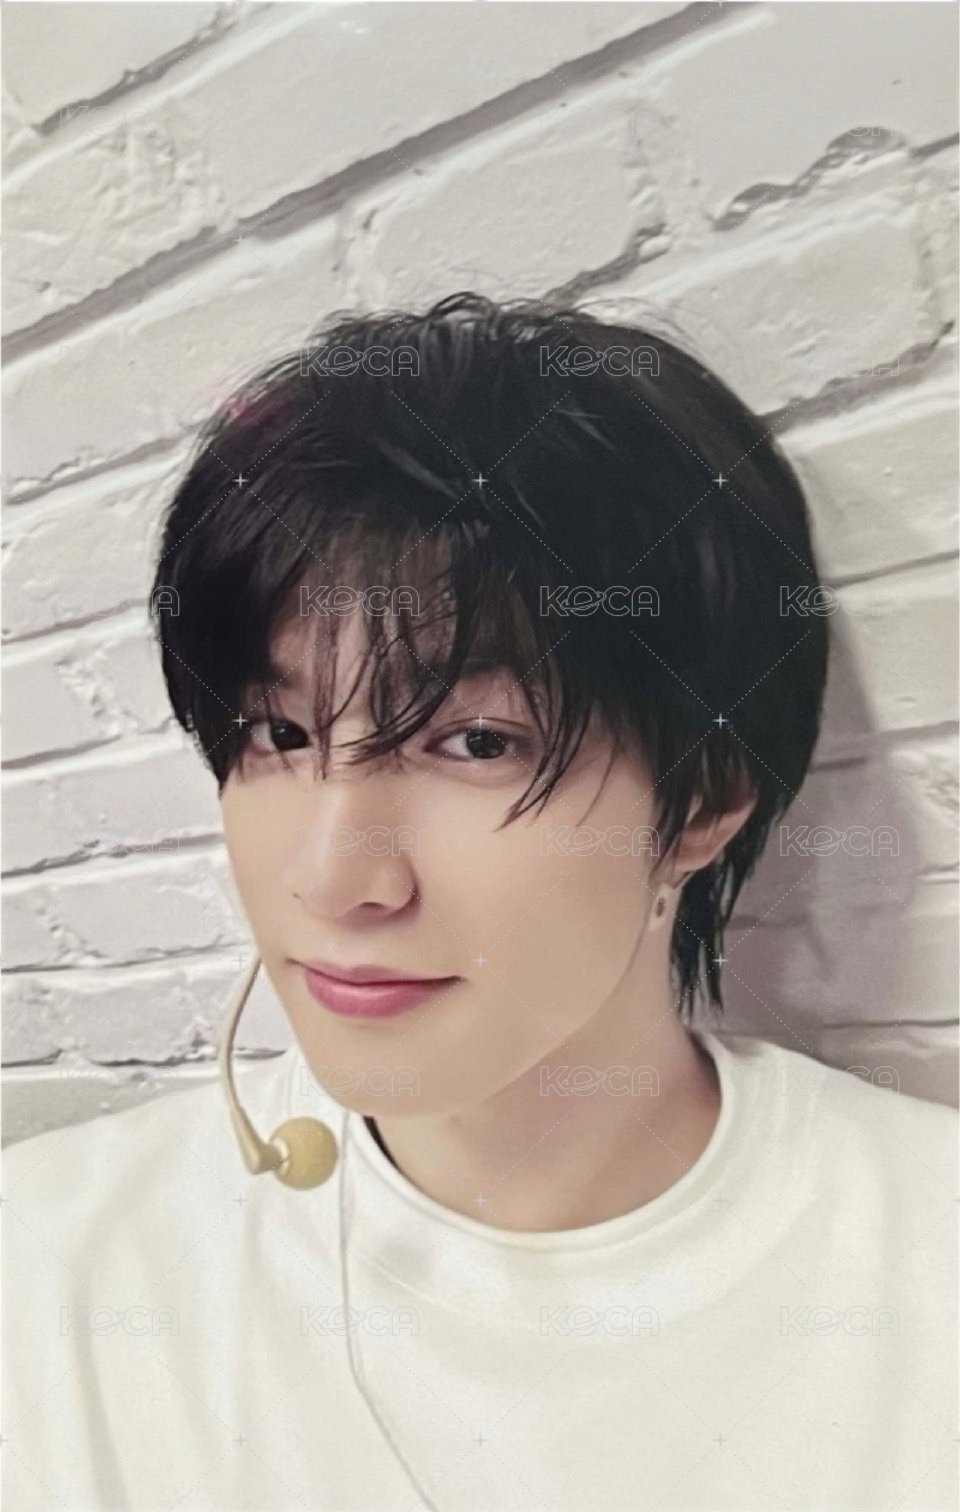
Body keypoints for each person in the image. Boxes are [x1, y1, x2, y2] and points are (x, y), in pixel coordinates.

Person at [3, 293, 955, 1511]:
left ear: (707, 798)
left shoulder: (922, 1258)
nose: (331, 879)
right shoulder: (50, 1268)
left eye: (477, 743)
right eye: (280, 732)